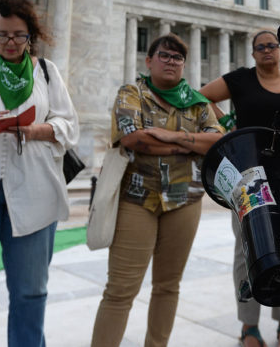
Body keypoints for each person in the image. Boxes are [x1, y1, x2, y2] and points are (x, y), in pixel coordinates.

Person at [0, 0, 80, 347]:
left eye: (18, 35)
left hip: (35, 196)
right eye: (2, 35)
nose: (10, 43)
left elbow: (70, 126)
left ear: (31, 36)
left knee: (30, 294)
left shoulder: (47, 73)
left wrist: (36, 130)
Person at [91, 33, 225, 347]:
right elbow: (134, 139)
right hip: (137, 199)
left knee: (168, 286)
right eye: (163, 55)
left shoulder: (197, 101)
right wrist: (192, 144)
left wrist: (171, 137)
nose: (171, 61)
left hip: (185, 200)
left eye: (177, 57)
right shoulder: (131, 92)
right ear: (149, 61)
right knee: (120, 290)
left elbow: (218, 141)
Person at [200, 30, 280, 347]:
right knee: (248, 250)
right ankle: (249, 325)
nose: (267, 51)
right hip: (249, 177)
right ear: (253, 53)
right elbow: (200, 97)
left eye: (272, 45)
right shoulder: (241, 80)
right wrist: (228, 125)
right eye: (260, 47)